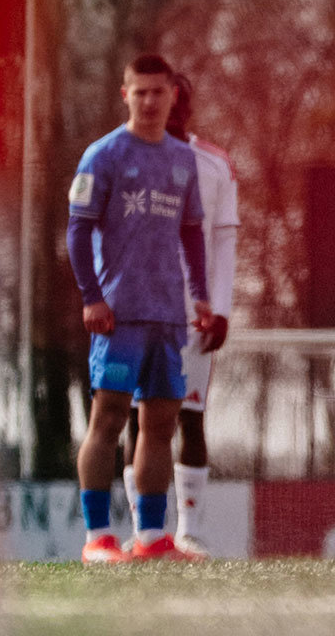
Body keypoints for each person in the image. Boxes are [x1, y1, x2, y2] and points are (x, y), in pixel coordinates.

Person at [68, 53, 214, 564]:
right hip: (118, 314)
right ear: (125, 94)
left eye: (160, 91)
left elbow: (193, 231)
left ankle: (151, 537)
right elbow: (78, 229)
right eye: (141, 92)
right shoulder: (103, 155)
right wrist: (92, 296)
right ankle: (97, 539)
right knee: (107, 419)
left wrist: (199, 294)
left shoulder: (182, 158)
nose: (151, 101)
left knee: (160, 425)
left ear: (174, 95)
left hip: (167, 315)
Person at [122, 72, 237, 558]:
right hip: (134, 312)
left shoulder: (213, 164)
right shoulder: (122, 156)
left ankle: (189, 530)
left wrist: (223, 310)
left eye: (176, 99)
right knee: (135, 418)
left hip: (192, 318)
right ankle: (144, 531)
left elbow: (225, 238)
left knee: (189, 418)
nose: (168, 108)